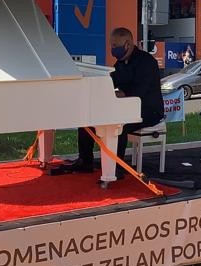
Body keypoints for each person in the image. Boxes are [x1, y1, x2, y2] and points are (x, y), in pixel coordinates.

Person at [60, 27, 164, 175]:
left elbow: (139, 92)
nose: (112, 49)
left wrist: (118, 95)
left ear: (127, 44)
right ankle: (85, 161)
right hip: (124, 108)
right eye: (111, 45)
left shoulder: (146, 62)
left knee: (118, 125)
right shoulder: (119, 64)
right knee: (87, 122)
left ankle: (117, 166)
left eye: (115, 45)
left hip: (148, 110)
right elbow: (110, 83)